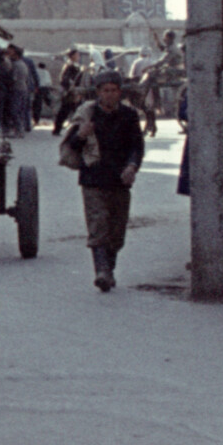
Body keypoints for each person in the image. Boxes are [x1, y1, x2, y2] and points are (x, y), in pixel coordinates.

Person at [61, 69, 145, 291]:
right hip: (93, 179)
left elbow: (137, 146)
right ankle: (102, 272)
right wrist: (81, 135)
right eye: (105, 90)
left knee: (116, 233)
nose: (110, 94)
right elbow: (70, 147)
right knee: (98, 226)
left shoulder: (129, 115)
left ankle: (109, 267)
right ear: (98, 92)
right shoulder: (87, 114)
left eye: (114, 90)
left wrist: (132, 166)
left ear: (120, 92)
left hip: (120, 180)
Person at [6, 44, 33, 137]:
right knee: (20, 110)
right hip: (23, 89)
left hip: (16, 89)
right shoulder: (23, 64)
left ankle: (18, 130)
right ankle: (20, 129)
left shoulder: (16, 65)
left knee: (14, 110)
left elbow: (14, 78)